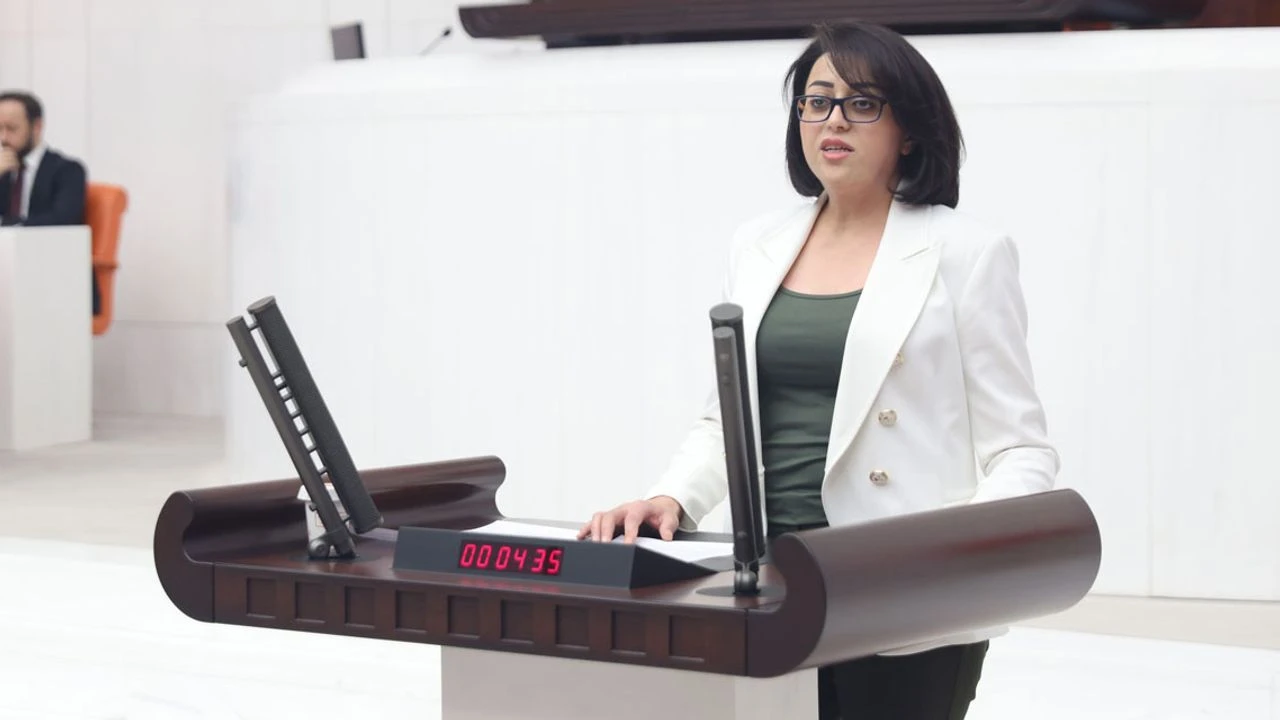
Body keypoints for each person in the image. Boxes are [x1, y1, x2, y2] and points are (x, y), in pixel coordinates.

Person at [577, 21, 1058, 720]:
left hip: (903, 593)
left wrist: (955, 561)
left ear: (909, 130)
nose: (833, 119)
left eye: (862, 103)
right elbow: (727, 418)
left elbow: (1021, 449)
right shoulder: (757, 244)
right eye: (817, 100)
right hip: (771, 583)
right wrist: (671, 497)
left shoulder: (968, 253)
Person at [0, 90, 96, 314]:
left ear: (36, 126)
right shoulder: (3, 172)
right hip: (7, 272)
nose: (3, 138)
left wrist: (9, 224)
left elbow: (62, 219)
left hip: (53, 274)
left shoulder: (67, 170)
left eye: (12, 129)